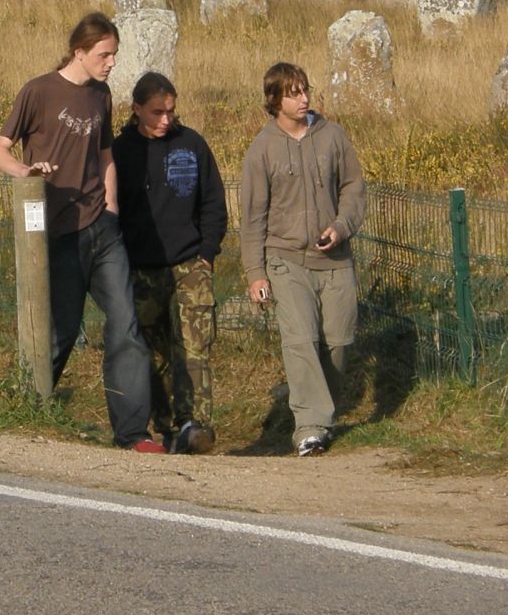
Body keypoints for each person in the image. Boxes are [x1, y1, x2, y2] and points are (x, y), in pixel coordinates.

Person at [0, 13, 159, 452]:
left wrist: (112, 206)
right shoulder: (38, 91)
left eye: (115, 54)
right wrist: (26, 172)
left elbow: (105, 155)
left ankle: (133, 433)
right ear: (79, 51)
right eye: (104, 54)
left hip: (102, 227)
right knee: (61, 329)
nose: (111, 63)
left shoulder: (101, 96)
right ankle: (26, 407)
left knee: (125, 326)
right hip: (56, 230)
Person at [239, 60, 365, 457]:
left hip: (335, 259)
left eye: (305, 89)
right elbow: (252, 217)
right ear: (274, 100)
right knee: (301, 340)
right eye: (293, 93)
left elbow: (353, 188)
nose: (304, 98)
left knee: (339, 341)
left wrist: (341, 226)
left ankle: (319, 408)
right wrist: (255, 273)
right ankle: (310, 427)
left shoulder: (334, 137)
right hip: (285, 259)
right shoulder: (261, 150)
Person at [113, 71, 227, 455]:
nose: (166, 120)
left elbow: (213, 201)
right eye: (157, 112)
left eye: (171, 112)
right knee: (151, 351)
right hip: (142, 267)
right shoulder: (121, 151)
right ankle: (165, 428)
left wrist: (207, 254)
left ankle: (196, 425)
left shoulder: (191, 143)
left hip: (190, 263)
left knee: (194, 347)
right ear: (137, 110)